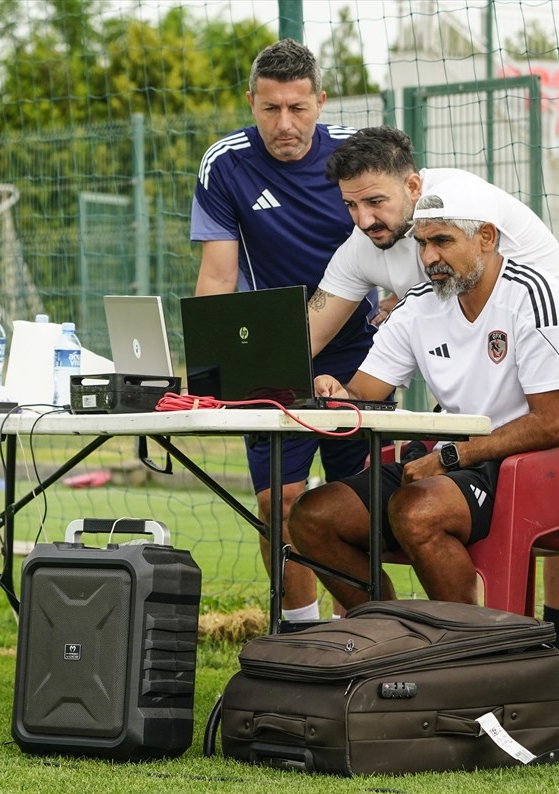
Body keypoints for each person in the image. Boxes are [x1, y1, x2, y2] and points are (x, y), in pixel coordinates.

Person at [310, 124, 559, 649]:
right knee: (313, 518)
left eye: (442, 242)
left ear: (487, 239)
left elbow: (550, 426)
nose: (428, 257)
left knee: (417, 509)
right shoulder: (418, 301)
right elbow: (362, 394)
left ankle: (493, 652)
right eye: (422, 244)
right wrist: (337, 394)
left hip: (526, 453)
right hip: (460, 451)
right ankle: (394, 641)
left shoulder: (532, 292)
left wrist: (447, 457)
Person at [189, 38, 376, 623]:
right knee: (279, 501)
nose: (285, 123)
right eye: (271, 108)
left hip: (359, 349)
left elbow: (397, 240)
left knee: (360, 502)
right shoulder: (225, 164)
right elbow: (218, 276)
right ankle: (301, 634)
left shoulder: (358, 154)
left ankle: (364, 631)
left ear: (321, 100)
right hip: (270, 351)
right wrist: (206, 371)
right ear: (251, 102)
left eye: (298, 107)